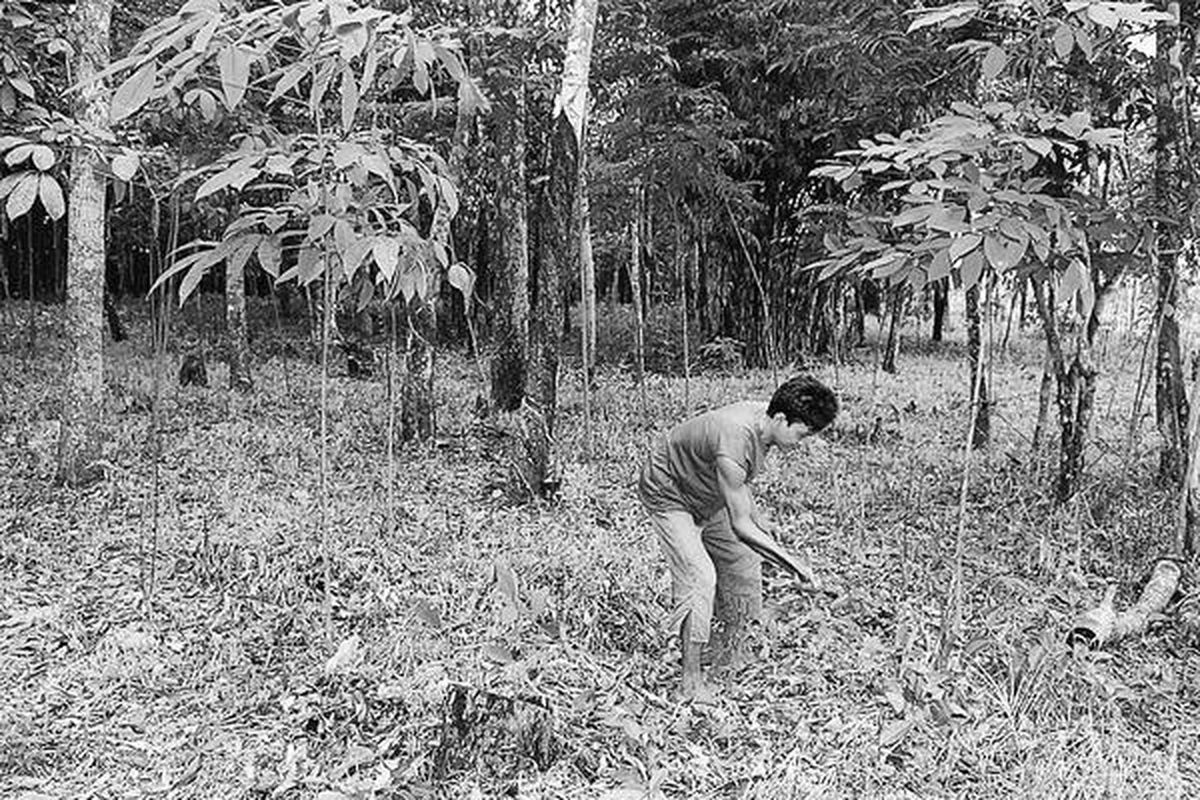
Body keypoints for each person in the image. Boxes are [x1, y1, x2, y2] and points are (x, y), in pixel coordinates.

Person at [638, 375, 839, 700]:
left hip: (708, 491)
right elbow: (742, 525)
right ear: (780, 419)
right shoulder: (735, 436)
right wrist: (794, 565)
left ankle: (731, 647)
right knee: (699, 577)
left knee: (744, 560)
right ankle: (689, 683)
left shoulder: (766, 420)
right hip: (669, 491)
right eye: (801, 435)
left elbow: (740, 486)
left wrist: (762, 524)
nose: (800, 443)